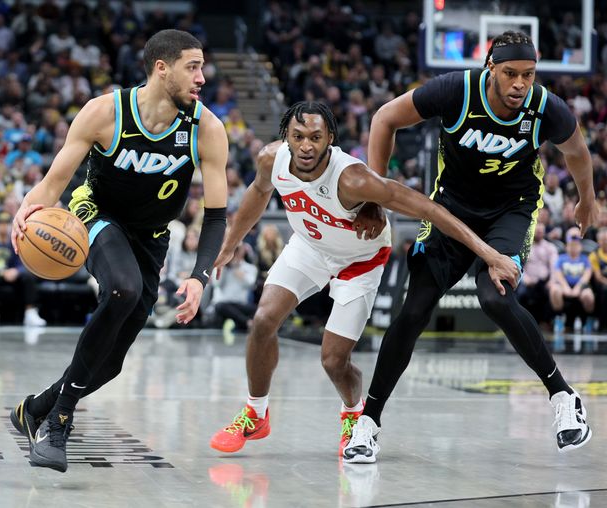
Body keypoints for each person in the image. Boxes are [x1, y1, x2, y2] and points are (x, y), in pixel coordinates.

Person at [344, 31, 597, 464]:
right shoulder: (455, 91)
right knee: (414, 309)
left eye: (529, 75)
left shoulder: (544, 107)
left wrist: (587, 199)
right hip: (451, 212)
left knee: (494, 296)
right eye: (511, 73)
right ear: (490, 70)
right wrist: (374, 193)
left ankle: (563, 396)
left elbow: (576, 152)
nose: (521, 84)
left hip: (511, 211)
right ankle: (368, 421)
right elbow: (385, 118)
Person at [209, 101, 518, 455]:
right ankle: (256, 413)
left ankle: (353, 413)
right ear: (286, 137)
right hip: (309, 248)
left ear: (330, 139)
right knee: (263, 320)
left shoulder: (353, 178)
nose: (306, 145)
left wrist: (490, 255)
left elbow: (431, 209)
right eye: (297, 137)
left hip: (360, 260)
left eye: (315, 137)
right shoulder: (270, 159)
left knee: (333, 361)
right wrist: (230, 244)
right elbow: (258, 193)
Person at [8, 29, 229, 472]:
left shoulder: (205, 128)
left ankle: (35, 409)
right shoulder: (104, 112)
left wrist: (199, 276)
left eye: (202, 67)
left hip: (151, 237)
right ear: (161, 68)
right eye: (193, 66)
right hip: (94, 215)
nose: (202, 77)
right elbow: (54, 183)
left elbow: (217, 215)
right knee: (122, 290)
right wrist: (28, 209)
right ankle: (58, 424)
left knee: (109, 366)